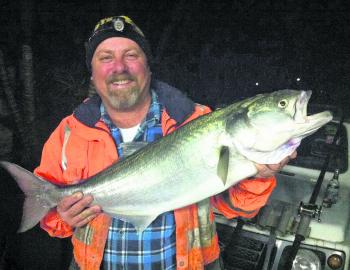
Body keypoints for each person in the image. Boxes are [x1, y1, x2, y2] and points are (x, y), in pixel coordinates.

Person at [34, 15, 296, 270]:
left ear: (147, 67)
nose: (119, 67)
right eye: (105, 58)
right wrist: (63, 216)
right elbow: (50, 216)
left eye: (131, 55)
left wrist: (259, 176)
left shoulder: (196, 120)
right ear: (92, 74)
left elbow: (234, 207)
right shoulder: (70, 131)